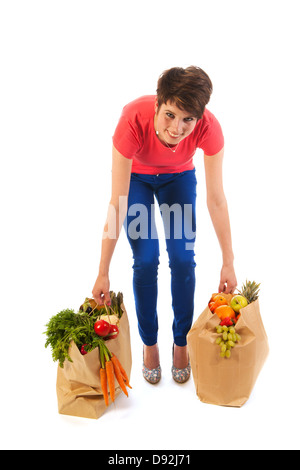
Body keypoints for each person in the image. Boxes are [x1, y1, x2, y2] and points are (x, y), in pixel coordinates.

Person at [92, 66, 237, 384]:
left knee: (183, 259)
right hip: (138, 181)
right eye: (170, 114)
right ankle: (150, 344)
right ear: (158, 104)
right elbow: (118, 204)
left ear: (199, 118)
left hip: (177, 179)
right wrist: (103, 270)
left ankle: (181, 341)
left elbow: (217, 199)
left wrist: (228, 261)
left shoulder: (209, 128)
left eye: (188, 119)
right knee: (146, 260)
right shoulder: (132, 120)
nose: (177, 127)